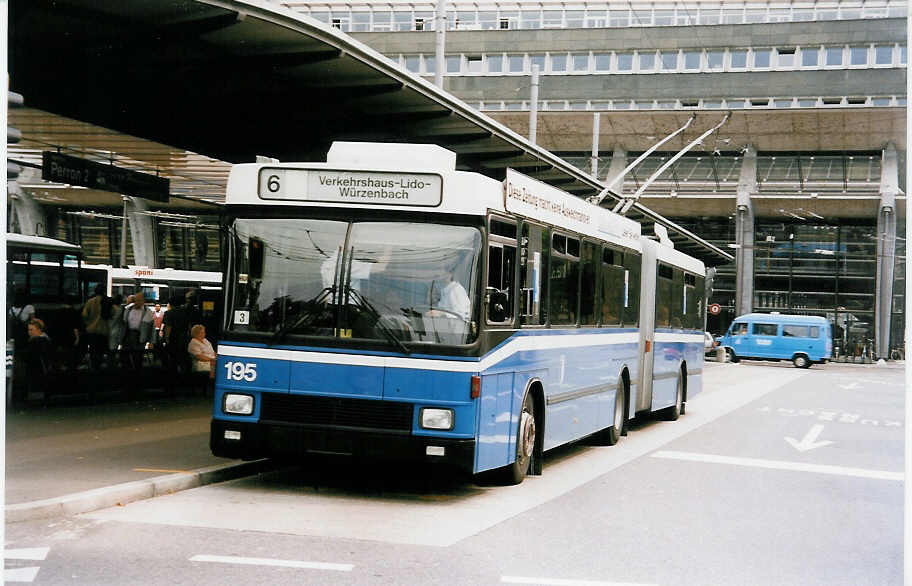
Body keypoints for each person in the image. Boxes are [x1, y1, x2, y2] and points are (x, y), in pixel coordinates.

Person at [121, 291, 155, 389]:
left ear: (143, 301)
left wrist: (151, 342)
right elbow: (123, 323)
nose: (136, 302)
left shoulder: (147, 311)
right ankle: (127, 380)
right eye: (135, 300)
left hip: (139, 337)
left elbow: (152, 328)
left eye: (139, 300)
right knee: (125, 358)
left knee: (137, 359)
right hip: (128, 336)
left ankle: (137, 382)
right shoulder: (128, 309)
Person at [81, 283, 111, 370]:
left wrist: (88, 323)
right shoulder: (108, 301)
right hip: (104, 331)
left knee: (93, 352)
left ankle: (94, 369)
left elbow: (84, 315)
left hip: (92, 331)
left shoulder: (90, 301)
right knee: (101, 352)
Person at [24, 318, 53, 402]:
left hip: (39, 371)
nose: (29, 332)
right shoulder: (45, 339)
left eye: (32, 330)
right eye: (29, 330)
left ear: (39, 330)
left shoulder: (37, 341)